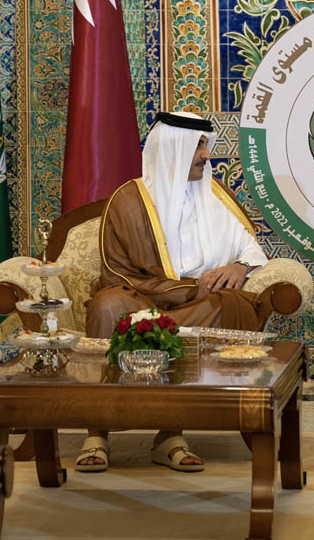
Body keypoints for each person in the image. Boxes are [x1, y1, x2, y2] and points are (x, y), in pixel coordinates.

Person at [77, 111, 271, 473]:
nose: (205, 155)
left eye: (204, 145)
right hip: (139, 299)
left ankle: (170, 433)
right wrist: (185, 289)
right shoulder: (128, 200)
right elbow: (116, 273)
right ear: (172, 149)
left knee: (226, 304)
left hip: (197, 304)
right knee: (107, 305)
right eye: (198, 145)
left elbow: (250, 246)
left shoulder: (215, 196)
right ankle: (97, 431)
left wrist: (239, 267)